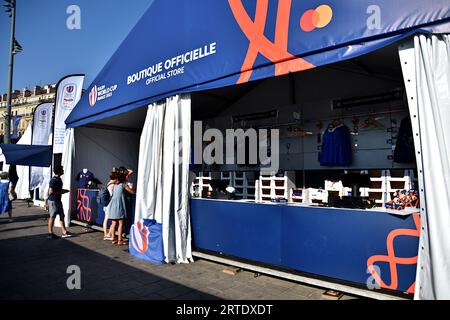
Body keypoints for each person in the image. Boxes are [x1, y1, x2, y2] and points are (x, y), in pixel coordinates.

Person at [106, 169, 135, 246]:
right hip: (119, 205)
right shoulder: (123, 184)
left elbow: (112, 179)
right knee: (120, 223)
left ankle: (113, 239)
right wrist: (135, 190)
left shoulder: (114, 184)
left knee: (114, 223)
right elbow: (132, 192)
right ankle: (120, 240)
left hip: (113, 205)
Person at [46, 165, 72, 239]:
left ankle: (64, 232)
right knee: (52, 217)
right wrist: (61, 192)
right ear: (59, 171)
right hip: (53, 201)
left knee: (62, 216)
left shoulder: (59, 179)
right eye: (62, 169)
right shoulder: (53, 180)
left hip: (58, 201)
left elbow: (56, 190)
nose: (63, 170)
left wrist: (62, 191)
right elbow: (50, 192)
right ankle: (50, 233)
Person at [102, 170, 117, 241]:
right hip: (110, 204)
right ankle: (108, 234)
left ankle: (105, 234)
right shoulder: (114, 184)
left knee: (106, 219)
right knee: (113, 220)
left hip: (106, 203)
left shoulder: (108, 183)